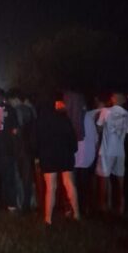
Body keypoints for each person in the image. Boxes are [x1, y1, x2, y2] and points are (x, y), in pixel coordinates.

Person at [35, 96, 80, 226]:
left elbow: (35, 141)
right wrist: (72, 150)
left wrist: (37, 155)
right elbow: (73, 139)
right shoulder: (64, 119)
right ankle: (77, 214)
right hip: (65, 154)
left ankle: (48, 219)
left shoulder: (40, 121)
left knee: (50, 187)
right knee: (69, 184)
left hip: (48, 156)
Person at [96, 92, 128, 214]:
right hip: (119, 150)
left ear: (115, 99)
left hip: (106, 150)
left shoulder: (105, 111)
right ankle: (121, 205)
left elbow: (99, 128)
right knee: (120, 178)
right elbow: (126, 132)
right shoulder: (126, 115)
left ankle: (103, 205)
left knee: (104, 177)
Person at [7, 88, 35, 212]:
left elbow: (17, 130)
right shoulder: (31, 109)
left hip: (18, 148)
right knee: (28, 178)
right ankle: (29, 202)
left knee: (18, 177)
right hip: (29, 148)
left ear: (14, 99)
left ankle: (21, 203)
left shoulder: (16, 111)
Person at [74, 99, 100, 216]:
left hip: (79, 158)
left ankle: (81, 208)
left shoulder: (76, 118)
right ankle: (86, 207)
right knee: (85, 184)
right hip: (87, 157)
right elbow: (95, 139)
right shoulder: (89, 119)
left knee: (79, 185)